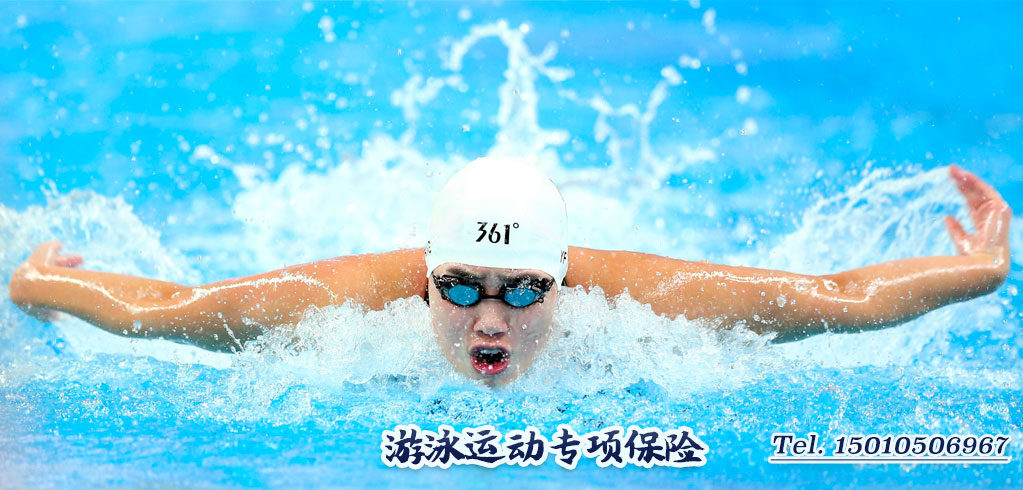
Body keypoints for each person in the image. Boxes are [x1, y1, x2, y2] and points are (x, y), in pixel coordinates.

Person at [8, 157, 1012, 387]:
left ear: (563, 280)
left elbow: (836, 300)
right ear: (425, 276)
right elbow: (167, 310)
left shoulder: (641, 303)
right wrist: (35, 284)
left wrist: (980, 272)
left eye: (524, 290)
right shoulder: (345, 306)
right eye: (462, 287)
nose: (491, 318)